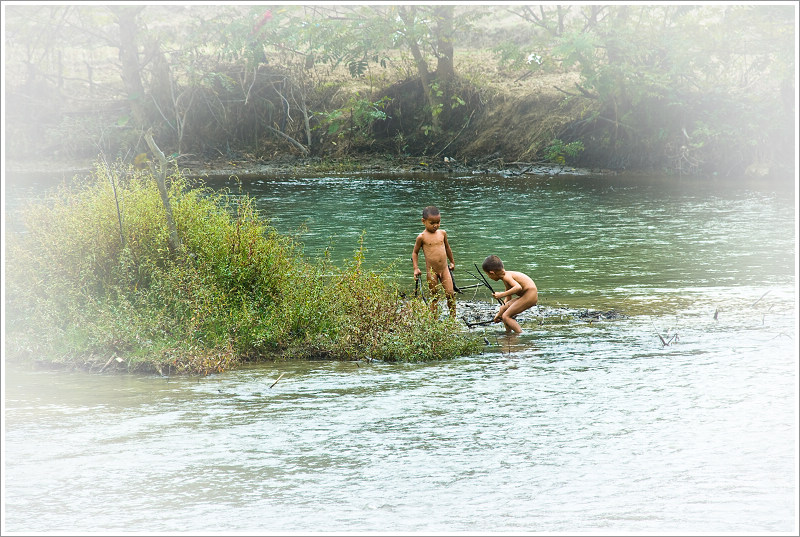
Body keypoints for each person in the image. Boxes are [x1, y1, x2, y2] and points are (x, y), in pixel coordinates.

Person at [412, 206, 457, 317]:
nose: (435, 225)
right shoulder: (421, 237)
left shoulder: (442, 233)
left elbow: (447, 248)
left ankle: (453, 318)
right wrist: (416, 268)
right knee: (434, 296)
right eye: (432, 223)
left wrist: (452, 262)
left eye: (438, 222)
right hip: (431, 271)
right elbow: (415, 253)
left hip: (444, 269)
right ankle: (434, 319)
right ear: (423, 221)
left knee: (450, 294)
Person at [481, 255, 538, 334]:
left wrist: (501, 295)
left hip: (530, 294)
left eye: (488, 275)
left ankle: (519, 335)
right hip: (526, 295)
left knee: (506, 316)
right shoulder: (504, 278)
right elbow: (508, 298)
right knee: (504, 312)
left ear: (492, 272)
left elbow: (518, 287)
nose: (489, 277)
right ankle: (508, 334)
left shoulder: (507, 276)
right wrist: (499, 314)